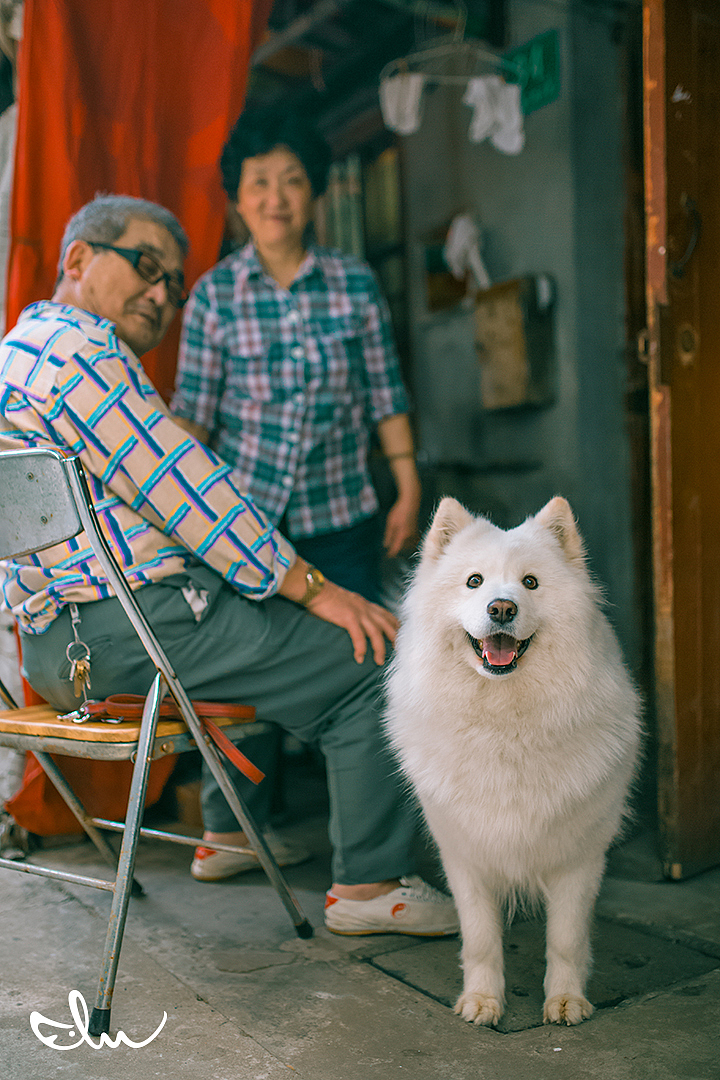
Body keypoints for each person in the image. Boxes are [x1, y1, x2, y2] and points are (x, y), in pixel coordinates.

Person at [0, 194, 457, 937]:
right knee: (372, 654)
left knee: (248, 617)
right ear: (78, 260)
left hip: (51, 657)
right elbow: (184, 488)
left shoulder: (14, 353)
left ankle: (236, 836)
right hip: (131, 634)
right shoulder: (77, 352)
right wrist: (314, 587)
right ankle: (370, 883)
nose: (163, 294)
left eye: (175, 284)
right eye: (147, 266)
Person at [171, 106, 422, 604]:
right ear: (238, 199)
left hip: (341, 519)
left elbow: (385, 396)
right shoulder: (214, 295)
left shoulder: (355, 284)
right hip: (241, 522)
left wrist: (408, 490)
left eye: (292, 181)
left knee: (360, 653)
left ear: (313, 192)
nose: (275, 199)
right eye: (259, 183)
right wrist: (179, 513)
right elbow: (194, 419)